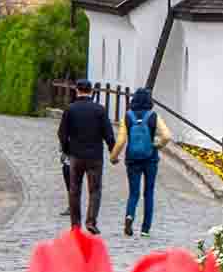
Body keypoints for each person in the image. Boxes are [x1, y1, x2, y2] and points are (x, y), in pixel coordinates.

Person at [110, 86, 172, 236]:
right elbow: (167, 136)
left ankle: (130, 216)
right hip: (150, 159)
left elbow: (121, 141)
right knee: (148, 193)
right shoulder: (153, 116)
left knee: (134, 193)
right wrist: (157, 145)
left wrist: (113, 157)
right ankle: (145, 229)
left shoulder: (127, 116)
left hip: (132, 159)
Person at [57, 79, 117, 234]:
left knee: (74, 190)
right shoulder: (100, 110)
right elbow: (108, 134)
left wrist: (66, 149)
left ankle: (75, 224)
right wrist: (113, 151)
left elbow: (62, 133)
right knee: (95, 190)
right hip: (95, 156)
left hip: (76, 155)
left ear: (77, 90)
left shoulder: (70, 110)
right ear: (91, 91)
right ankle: (91, 221)